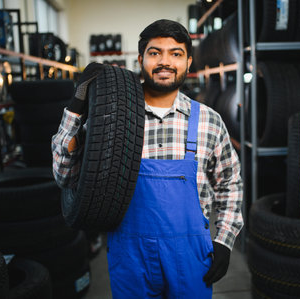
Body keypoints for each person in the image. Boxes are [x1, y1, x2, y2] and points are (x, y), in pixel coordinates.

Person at [52, 19, 243, 298]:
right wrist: (76, 109)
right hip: (130, 259)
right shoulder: (111, 120)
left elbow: (231, 184)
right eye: (155, 53)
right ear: (141, 59)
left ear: (188, 63)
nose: (165, 61)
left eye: (175, 54)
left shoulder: (209, 122)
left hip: (191, 260)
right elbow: (64, 176)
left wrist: (225, 241)